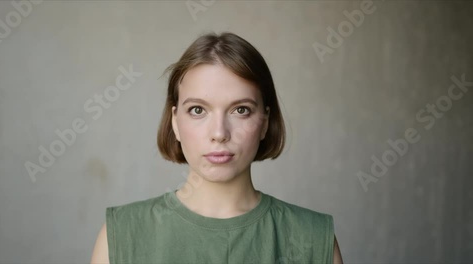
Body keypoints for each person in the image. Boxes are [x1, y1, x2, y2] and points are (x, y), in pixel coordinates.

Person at [91, 32, 343, 264]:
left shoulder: (314, 239)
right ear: (175, 122)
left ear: (264, 123)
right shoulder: (120, 235)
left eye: (241, 110)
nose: (219, 133)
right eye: (198, 110)